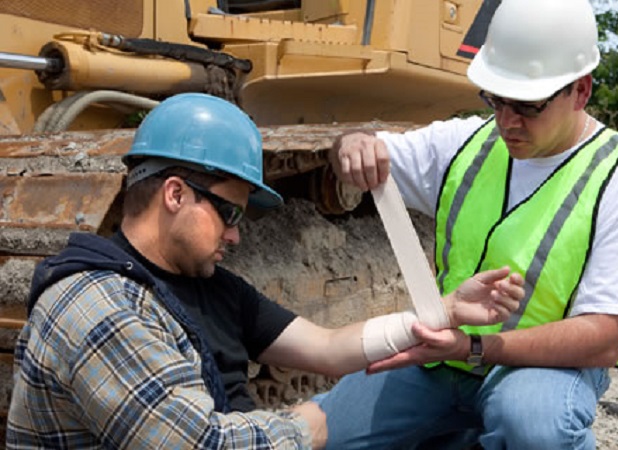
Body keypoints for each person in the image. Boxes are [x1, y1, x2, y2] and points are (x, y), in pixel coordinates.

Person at [6, 93, 525, 449]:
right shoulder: (99, 307)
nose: (235, 234)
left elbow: (324, 347)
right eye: (229, 212)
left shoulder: (209, 286)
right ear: (175, 194)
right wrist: (313, 424)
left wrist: (442, 311)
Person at [315, 0, 618, 448]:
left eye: (527, 106)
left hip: (541, 371)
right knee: (329, 434)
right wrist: (353, 144)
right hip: (443, 360)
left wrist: (474, 347)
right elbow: (363, 149)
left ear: (581, 91)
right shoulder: (467, 143)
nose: (506, 121)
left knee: (534, 425)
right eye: (495, 100)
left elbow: (604, 337)